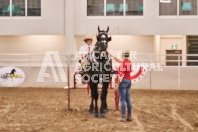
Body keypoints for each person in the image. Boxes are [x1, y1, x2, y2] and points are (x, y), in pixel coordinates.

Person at [111, 50, 132, 122]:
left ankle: (123, 116)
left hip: (123, 82)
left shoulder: (123, 64)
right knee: (128, 99)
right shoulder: (129, 62)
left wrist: (117, 85)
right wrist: (113, 56)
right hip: (129, 81)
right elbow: (120, 61)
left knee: (122, 99)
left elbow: (121, 76)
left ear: (123, 56)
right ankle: (129, 116)